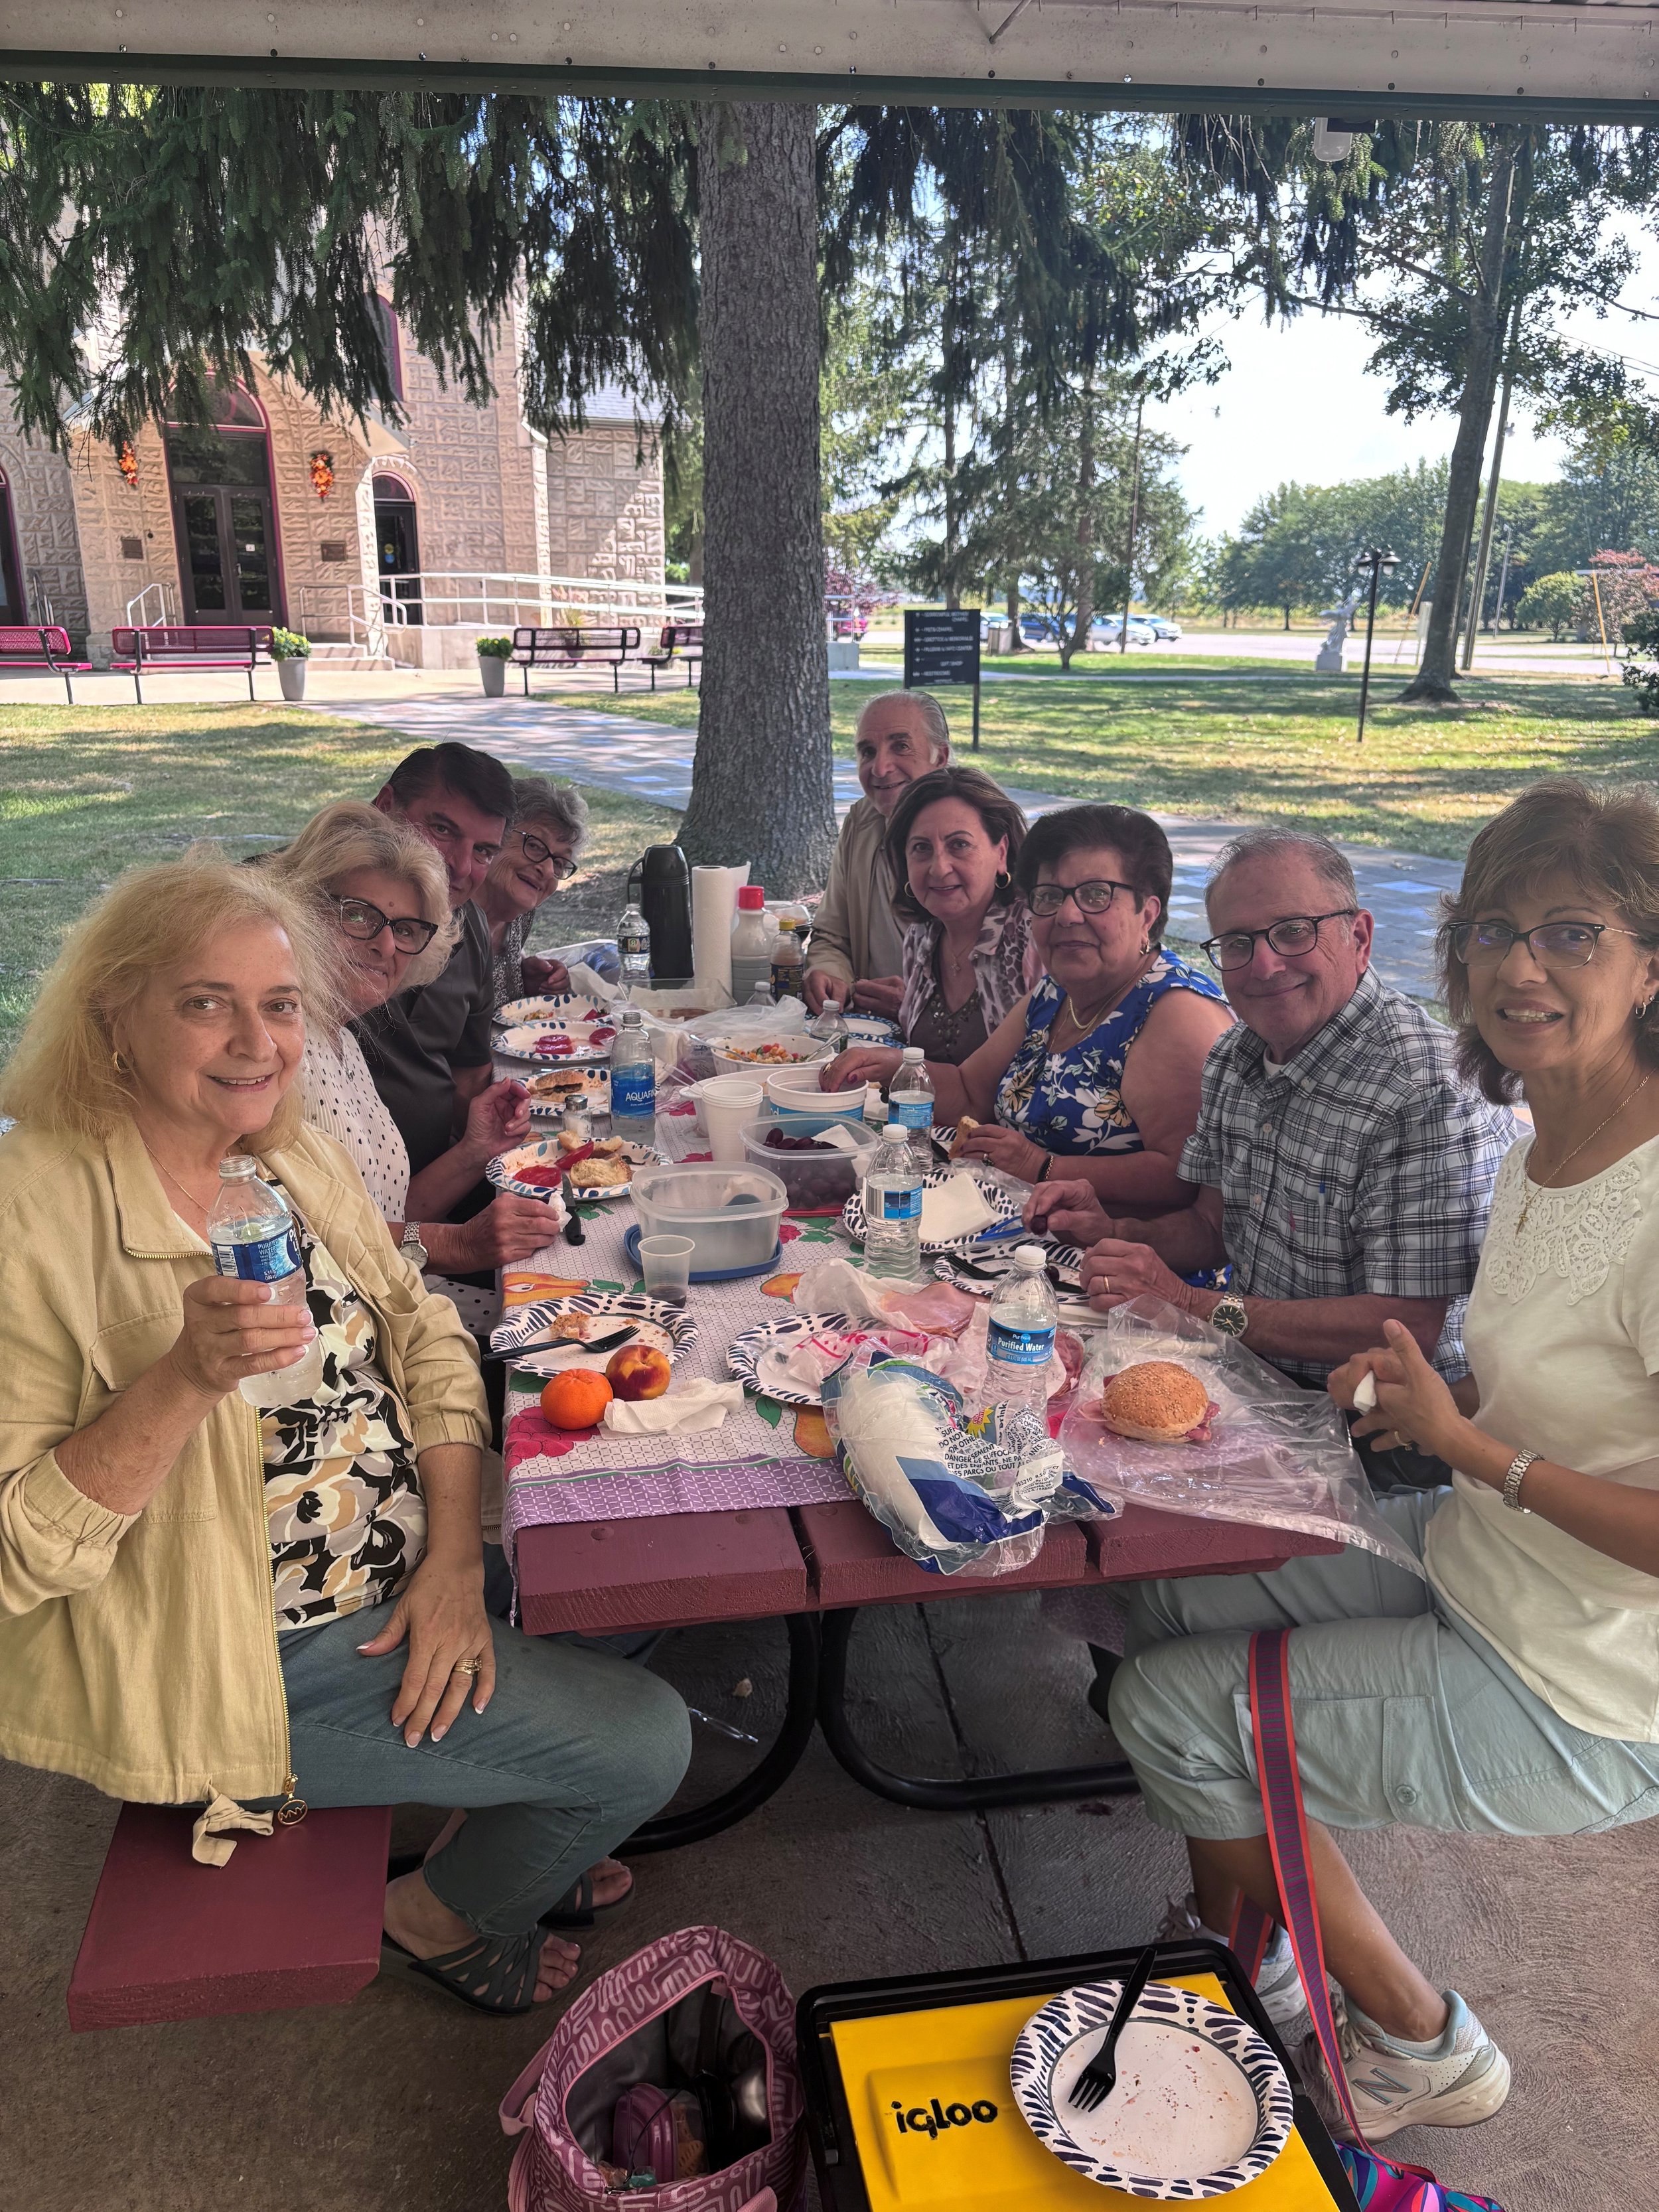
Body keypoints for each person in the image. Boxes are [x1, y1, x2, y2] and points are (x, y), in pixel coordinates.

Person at [0, 856, 689, 2015]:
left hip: (407, 1555)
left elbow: (419, 1329)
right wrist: (179, 1381)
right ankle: (438, 1915)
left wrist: (459, 1563)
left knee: (642, 1561)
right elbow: (19, 1555)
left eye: (276, 1005)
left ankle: (494, 1779)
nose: (256, 1041)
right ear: (114, 1012)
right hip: (238, 1651)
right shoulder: (35, 1212)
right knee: (649, 1741)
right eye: (204, 1000)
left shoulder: (280, 1149)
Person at [1106, 777, 1659, 2141]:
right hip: (1478, 1561)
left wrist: (1468, 1443)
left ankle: (1421, 2037)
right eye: (1489, 932)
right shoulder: (1546, 1145)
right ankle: (1259, 1936)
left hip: (1585, 1685)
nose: (1517, 968)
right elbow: (1535, 1380)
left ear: (1650, 960)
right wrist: (1429, 1393)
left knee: (1169, 1714)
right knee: (1159, 1596)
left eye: (1571, 934)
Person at [1031, 826, 1516, 1388]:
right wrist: (1113, 1231)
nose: (1263, 966)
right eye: (1237, 943)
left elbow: (1404, 1329)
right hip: (1254, 1380)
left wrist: (1188, 1302)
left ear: (1359, 937)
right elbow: (1212, 1225)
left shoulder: (1425, 1091)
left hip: (1380, 1432)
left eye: (1293, 932)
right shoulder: (1236, 1057)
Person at [828, 804, 1232, 1206]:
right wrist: (895, 1064)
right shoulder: (1056, 993)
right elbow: (971, 1092)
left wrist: (1043, 1167)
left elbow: (1181, 1178)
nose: (1068, 914)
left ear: (1147, 913)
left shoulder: (1176, 1011)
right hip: (1014, 1227)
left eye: (1096, 895)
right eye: (1050, 896)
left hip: (1113, 1254)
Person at [267, 802, 577, 1288]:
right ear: (300, 910)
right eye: (357, 915)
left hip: (405, 1298)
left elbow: (392, 1210)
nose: (385, 946)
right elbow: (308, 1247)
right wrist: (460, 1245)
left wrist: (477, 1149)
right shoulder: (274, 1055)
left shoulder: (343, 1040)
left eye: (406, 929)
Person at [360, 741, 565, 1179]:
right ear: (384, 807)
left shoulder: (470, 929)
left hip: (441, 1176)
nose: (458, 865)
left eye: (484, 851)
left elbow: (471, 1085)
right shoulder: (310, 915)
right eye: (442, 830)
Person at [804, 690, 950, 1020]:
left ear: (939, 758)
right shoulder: (861, 822)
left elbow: (1011, 987)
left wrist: (923, 1006)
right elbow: (831, 936)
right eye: (868, 752)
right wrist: (829, 976)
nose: (880, 768)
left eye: (901, 746)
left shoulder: (979, 837)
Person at [881, 765, 1037, 1065]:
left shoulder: (1035, 935)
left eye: (959, 845)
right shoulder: (921, 938)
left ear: (1001, 853)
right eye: (921, 848)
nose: (939, 868)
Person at [478, 775, 588, 1010]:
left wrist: (526, 981)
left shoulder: (520, 914)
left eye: (560, 862)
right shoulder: (447, 919)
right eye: (535, 846)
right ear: (494, 837)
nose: (548, 870)